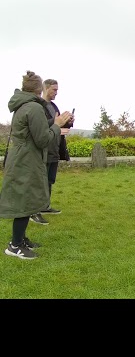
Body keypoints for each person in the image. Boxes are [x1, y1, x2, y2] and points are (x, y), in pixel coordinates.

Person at [0, 71, 72, 259]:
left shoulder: (23, 105)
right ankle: (15, 246)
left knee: (27, 198)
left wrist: (54, 122)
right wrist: (57, 125)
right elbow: (42, 139)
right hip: (27, 160)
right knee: (25, 201)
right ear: (40, 89)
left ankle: (21, 239)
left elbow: (35, 131)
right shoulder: (33, 107)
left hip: (23, 157)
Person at [31, 78, 74, 226]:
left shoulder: (54, 106)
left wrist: (68, 121)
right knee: (39, 182)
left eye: (57, 90)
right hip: (43, 149)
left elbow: (59, 124)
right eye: (54, 89)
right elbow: (40, 127)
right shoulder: (38, 106)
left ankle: (45, 207)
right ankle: (33, 212)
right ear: (46, 88)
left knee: (49, 180)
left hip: (55, 149)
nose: (56, 92)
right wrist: (56, 123)